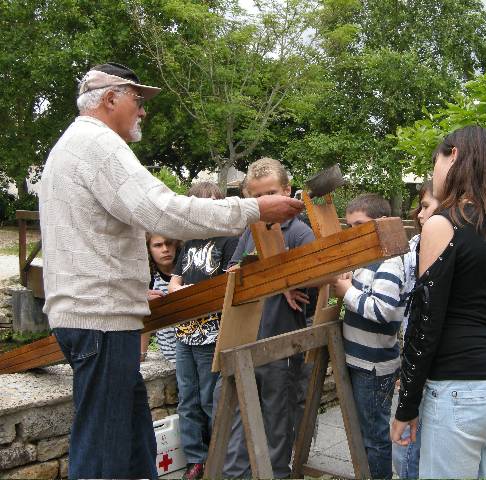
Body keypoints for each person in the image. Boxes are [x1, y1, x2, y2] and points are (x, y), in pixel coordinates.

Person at [39, 62, 304, 480]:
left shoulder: (70, 147)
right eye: (137, 100)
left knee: (132, 442)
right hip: (101, 324)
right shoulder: (98, 145)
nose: (143, 111)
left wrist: (126, 288)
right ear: (111, 99)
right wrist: (253, 209)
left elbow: (79, 241)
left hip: (95, 316)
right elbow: (164, 210)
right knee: (103, 455)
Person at [390, 125, 486, 479]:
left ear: (453, 155)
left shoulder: (443, 224)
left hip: (462, 388)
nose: (433, 173)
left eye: (434, 161)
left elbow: (425, 321)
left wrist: (406, 406)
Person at [215, 157, 316, 478]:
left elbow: (319, 277)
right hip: (244, 342)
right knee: (237, 424)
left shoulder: (301, 234)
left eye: (271, 193)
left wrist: (280, 278)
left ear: (287, 191)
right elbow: (234, 272)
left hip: (280, 350)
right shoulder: (251, 229)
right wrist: (271, 278)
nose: (266, 202)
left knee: (277, 427)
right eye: (257, 198)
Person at [167, 181, 239, 480]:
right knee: (187, 398)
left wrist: (190, 292)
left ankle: (217, 457)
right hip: (185, 334)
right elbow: (174, 282)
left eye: (209, 204)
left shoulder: (228, 240)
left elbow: (226, 286)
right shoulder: (189, 242)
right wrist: (183, 291)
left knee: (212, 399)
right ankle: (196, 459)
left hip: (213, 334)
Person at [332, 193, 405, 480]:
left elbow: (382, 310)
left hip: (373, 368)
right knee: (365, 432)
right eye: (349, 226)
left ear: (381, 223)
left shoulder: (388, 261)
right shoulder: (367, 259)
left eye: (359, 225)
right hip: (361, 362)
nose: (353, 233)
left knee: (374, 437)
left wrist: (346, 292)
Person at [392, 181, 439, 479]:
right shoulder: (414, 248)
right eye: (419, 207)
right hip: (414, 359)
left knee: (408, 447)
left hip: (431, 367)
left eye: (427, 207)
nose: (420, 215)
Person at [141, 233, 181, 363]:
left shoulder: (187, 270)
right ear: (149, 249)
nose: (165, 249)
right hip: (169, 353)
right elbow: (145, 315)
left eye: (169, 243)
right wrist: (142, 352)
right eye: (158, 245)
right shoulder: (149, 278)